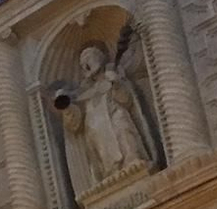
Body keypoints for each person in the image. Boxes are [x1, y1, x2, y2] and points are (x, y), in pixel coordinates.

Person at [58, 40, 156, 197]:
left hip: (116, 115)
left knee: (124, 133)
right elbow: (74, 125)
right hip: (96, 129)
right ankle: (111, 175)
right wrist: (67, 109)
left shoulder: (114, 77)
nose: (86, 63)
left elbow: (127, 100)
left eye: (89, 57)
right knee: (103, 151)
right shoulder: (84, 92)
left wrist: (116, 84)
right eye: (83, 62)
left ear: (100, 58)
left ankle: (133, 162)